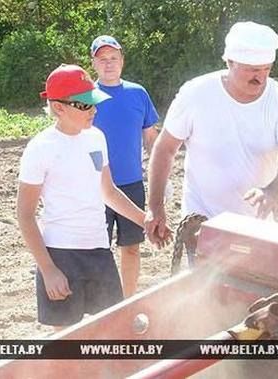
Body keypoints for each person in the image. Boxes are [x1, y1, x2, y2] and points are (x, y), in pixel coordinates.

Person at [16, 64, 170, 330]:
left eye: (94, 103)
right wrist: (49, 270)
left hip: (99, 251)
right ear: (58, 107)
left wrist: (145, 219)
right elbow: (25, 215)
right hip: (61, 255)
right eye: (85, 105)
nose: (94, 110)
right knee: (66, 342)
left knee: (112, 332)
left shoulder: (96, 138)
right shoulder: (40, 148)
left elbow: (108, 191)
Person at [145, 21, 278, 243]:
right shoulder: (196, 94)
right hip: (202, 223)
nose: (259, 78)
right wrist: (155, 207)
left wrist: (273, 193)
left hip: (258, 225)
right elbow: (165, 149)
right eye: (252, 70)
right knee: (205, 278)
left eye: (266, 70)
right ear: (230, 62)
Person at [90, 35, 160, 297]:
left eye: (113, 58)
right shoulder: (87, 97)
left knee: (131, 247)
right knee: (98, 250)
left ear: (122, 61)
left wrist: (160, 180)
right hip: (96, 187)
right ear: (94, 63)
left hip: (132, 184)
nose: (108, 64)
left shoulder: (137, 93)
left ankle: (128, 301)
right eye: (102, 59)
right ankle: (100, 307)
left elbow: (151, 139)